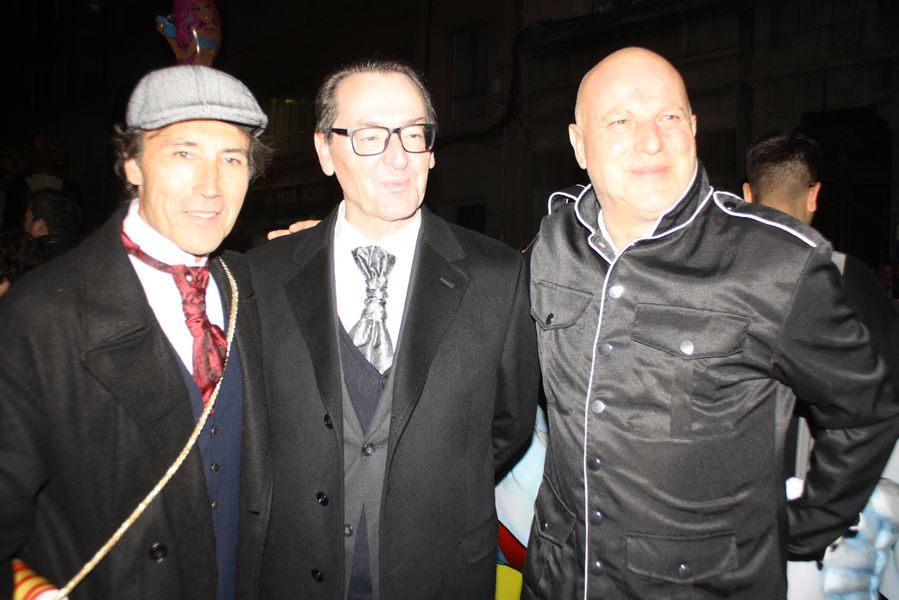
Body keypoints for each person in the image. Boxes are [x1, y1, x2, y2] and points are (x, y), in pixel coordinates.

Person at [523, 47, 898, 599]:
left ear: (694, 128)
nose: (651, 141)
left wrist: (799, 528)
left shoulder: (777, 263)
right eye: (620, 121)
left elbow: (866, 412)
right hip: (558, 579)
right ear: (580, 144)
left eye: (669, 117)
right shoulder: (554, 244)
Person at [248, 58, 539, 600]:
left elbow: (509, 425)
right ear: (324, 151)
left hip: (440, 575)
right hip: (293, 575)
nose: (398, 157)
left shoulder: (499, 276)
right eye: (369, 136)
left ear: (431, 149)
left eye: (412, 133)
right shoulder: (260, 277)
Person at [0, 64, 273, 599]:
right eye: (184, 153)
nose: (211, 187)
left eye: (232, 158)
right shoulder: (42, 315)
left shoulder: (249, 285)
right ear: (132, 164)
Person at [745, 130, 899, 600]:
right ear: (814, 195)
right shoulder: (848, 277)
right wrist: (810, 524)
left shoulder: (711, 281)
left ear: (747, 196)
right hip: (815, 515)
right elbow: (881, 404)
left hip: (732, 517)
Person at [23, 187, 82, 259]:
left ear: (39, 226)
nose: (24, 225)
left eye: (26, 219)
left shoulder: (27, 260)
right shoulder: (86, 254)